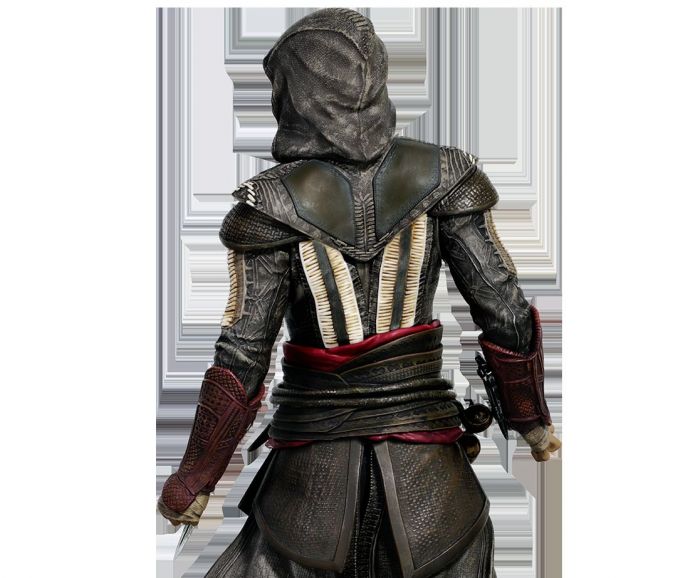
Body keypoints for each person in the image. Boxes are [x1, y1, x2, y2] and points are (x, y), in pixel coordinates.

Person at [157, 8, 560, 578]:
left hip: (305, 491)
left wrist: (194, 479)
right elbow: (505, 310)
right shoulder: (448, 177)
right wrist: (530, 420)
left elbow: (243, 354)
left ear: (296, 91)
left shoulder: (268, 204)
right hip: (435, 491)